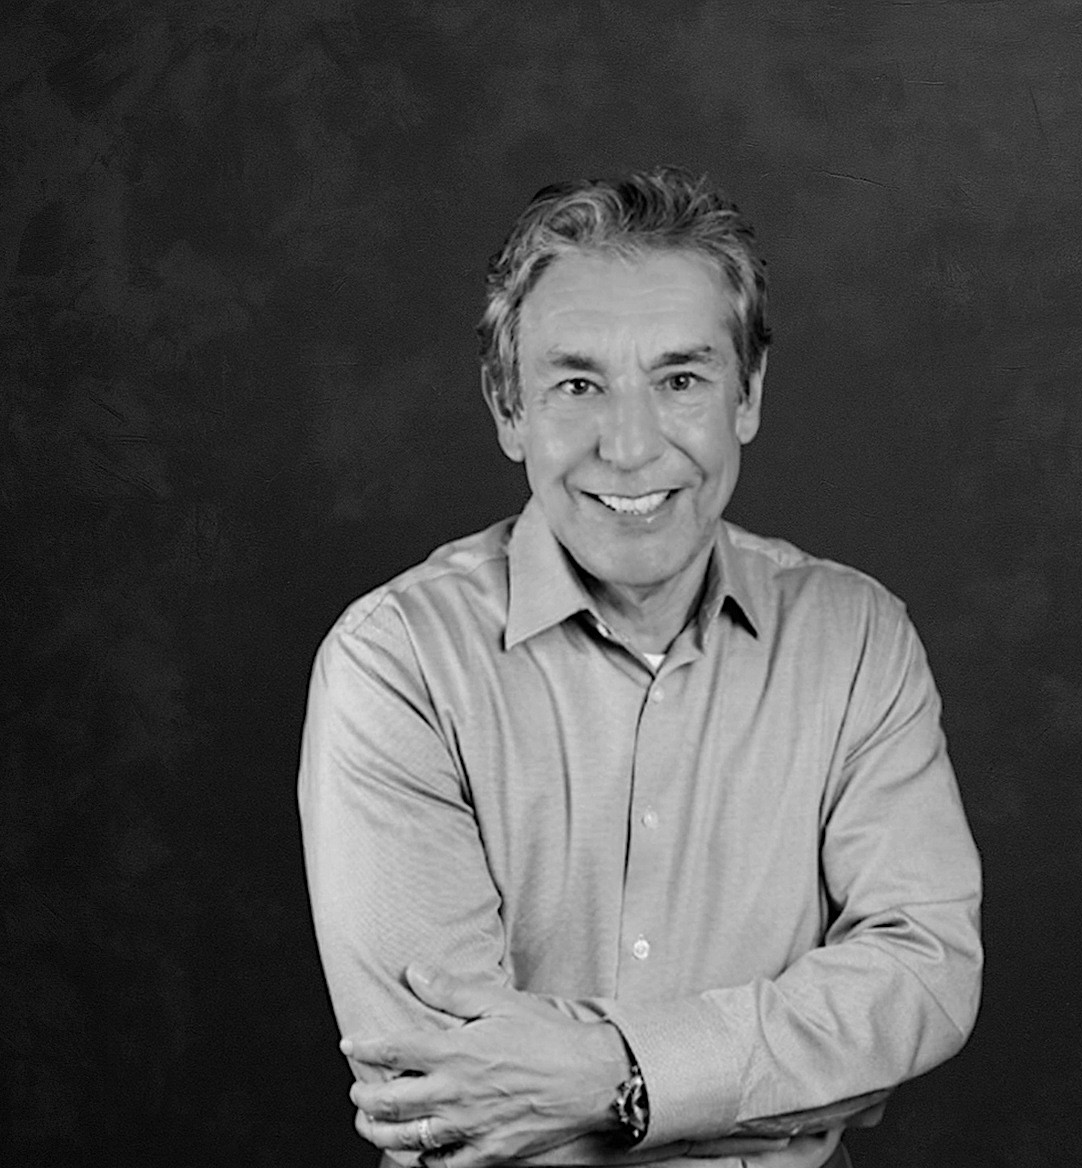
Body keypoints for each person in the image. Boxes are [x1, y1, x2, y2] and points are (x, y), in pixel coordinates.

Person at [298, 168, 982, 1168]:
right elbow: (447, 1093)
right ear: (508, 407)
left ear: (745, 396)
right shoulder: (395, 662)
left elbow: (920, 980)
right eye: (578, 384)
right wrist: (769, 1073)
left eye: (680, 379)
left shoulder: (857, 638)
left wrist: (621, 1076)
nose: (629, 444)